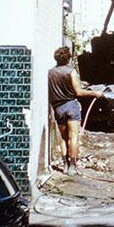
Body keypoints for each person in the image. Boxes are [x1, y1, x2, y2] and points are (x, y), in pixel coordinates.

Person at [48, 46, 104, 175]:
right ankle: (73, 166)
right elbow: (78, 92)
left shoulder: (50, 72)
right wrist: (95, 93)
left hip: (58, 108)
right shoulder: (71, 72)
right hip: (71, 106)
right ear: (68, 58)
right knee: (73, 137)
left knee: (62, 138)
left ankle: (65, 165)